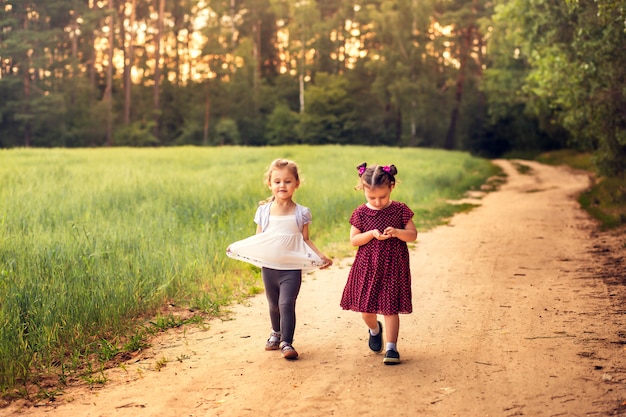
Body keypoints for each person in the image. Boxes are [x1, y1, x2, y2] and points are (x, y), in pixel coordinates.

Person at [227, 159, 332, 360]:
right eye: (277, 182)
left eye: (287, 181)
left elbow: (306, 239)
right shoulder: (264, 212)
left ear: (297, 184)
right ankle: (275, 332)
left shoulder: (302, 212)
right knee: (274, 305)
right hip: (270, 268)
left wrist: (321, 256)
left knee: (286, 304)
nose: (282, 185)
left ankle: (287, 343)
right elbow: (259, 240)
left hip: (291, 269)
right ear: (270, 184)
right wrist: (237, 246)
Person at [340, 162, 418, 365]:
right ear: (363, 189)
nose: (377, 201)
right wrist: (370, 234)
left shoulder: (400, 210)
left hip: (393, 266)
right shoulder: (361, 213)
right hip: (368, 267)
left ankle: (392, 348)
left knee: (390, 309)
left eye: (382, 197)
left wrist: (398, 232)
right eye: (371, 197)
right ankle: (375, 330)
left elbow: (412, 235)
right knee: (367, 310)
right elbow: (354, 240)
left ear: (392, 187)